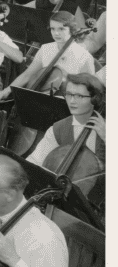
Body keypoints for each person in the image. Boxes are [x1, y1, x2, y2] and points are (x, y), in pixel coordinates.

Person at [26, 73, 106, 208]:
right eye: (69, 94)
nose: (72, 101)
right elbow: (34, 162)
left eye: (79, 96)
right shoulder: (59, 128)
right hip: (62, 198)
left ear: (94, 99)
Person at [0, 12, 96, 101]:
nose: (56, 33)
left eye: (61, 29)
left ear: (72, 30)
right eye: (53, 29)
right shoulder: (46, 48)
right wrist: (6, 90)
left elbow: (91, 91)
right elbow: (28, 74)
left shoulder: (84, 57)